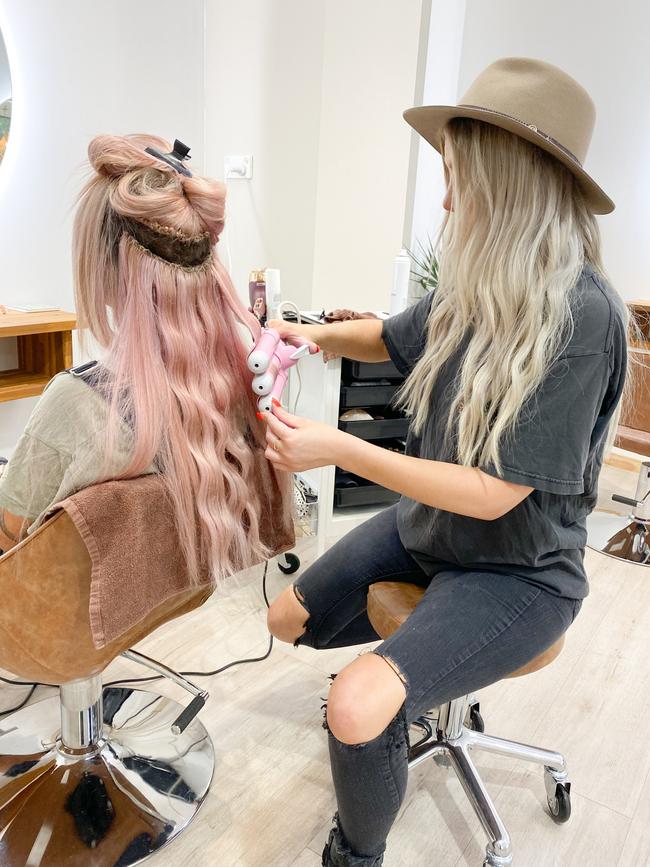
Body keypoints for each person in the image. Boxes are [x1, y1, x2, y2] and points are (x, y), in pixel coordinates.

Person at [261, 58, 628, 866]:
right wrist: (311, 333)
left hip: (519, 571)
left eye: (458, 178)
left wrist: (342, 448)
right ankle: (419, 675)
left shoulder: (583, 315)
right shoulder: (477, 281)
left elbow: (497, 495)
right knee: (283, 617)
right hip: (429, 531)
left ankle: (355, 851)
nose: (447, 199)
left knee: (358, 705)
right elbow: (392, 334)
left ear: (508, 185)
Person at [0, 134, 290, 578]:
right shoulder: (243, 392)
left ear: (104, 270)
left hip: (85, 623)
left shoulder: (75, 404)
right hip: (180, 604)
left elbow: (11, 541)